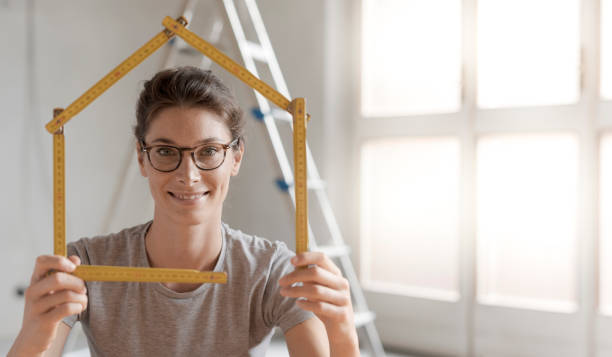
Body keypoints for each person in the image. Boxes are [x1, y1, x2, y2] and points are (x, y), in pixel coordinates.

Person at [8, 66, 359, 357]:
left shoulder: (271, 272)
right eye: (165, 151)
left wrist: (342, 333)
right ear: (142, 158)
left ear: (236, 157)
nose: (187, 175)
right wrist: (34, 333)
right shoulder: (85, 262)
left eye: (208, 151)